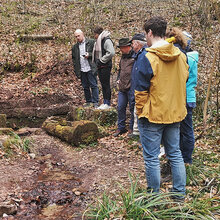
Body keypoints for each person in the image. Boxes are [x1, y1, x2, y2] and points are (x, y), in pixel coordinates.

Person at [135, 17, 189, 199]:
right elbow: (185, 80)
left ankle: (153, 198)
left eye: (146, 34)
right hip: (175, 113)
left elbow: (140, 90)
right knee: (175, 153)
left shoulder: (147, 57)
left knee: (151, 158)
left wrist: (140, 112)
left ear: (149, 33)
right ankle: (179, 193)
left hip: (153, 115)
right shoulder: (181, 56)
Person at [166, 28, 199, 164]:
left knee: (186, 129)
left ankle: (186, 159)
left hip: (185, 96)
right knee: (183, 129)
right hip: (186, 96)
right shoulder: (188, 55)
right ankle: (182, 157)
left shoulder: (186, 57)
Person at [72, 29, 99, 108]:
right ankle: (88, 101)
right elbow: (74, 59)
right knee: (85, 86)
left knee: (93, 85)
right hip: (82, 68)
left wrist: (89, 55)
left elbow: (97, 53)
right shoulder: (75, 47)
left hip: (90, 67)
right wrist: (76, 70)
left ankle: (95, 102)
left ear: (82, 34)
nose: (77, 38)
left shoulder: (91, 42)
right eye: (76, 36)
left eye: (78, 36)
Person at [113, 38, 135, 137]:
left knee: (132, 108)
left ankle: (131, 128)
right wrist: (118, 79)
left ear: (127, 46)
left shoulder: (135, 56)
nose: (120, 49)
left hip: (131, 87)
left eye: (122, 47)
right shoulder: (123, 57)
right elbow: (120, 70)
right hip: (122, 87)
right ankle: (121, 127)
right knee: (120, 107)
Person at [129, 33, 148, 138]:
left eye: (132, 43)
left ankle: (141, 136)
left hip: (141, 92)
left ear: (137, 44)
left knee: (140, 113)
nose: (132, 46)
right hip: (136, 88)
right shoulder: (137, 55)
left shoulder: (144, 55)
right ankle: (137, 133)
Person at [93, 26, 115, 110]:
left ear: (97, 34)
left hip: (105, 65)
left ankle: (108, 103)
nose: (94, 36)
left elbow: (111, 52)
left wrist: (102, 60)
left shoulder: (106, 40)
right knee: (102, 84)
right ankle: (105, 102)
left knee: (106, 84)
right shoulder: (99, 41)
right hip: (100, 66)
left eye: (94, 34)